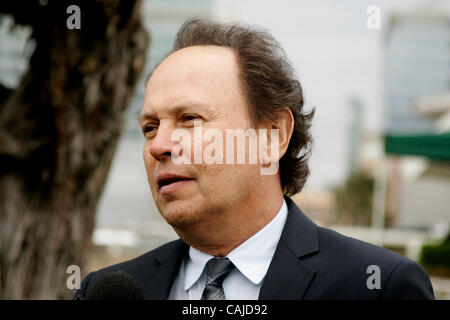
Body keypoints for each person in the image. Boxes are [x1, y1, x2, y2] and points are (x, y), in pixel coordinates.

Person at [74, 19, 434, 300]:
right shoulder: (104, 291)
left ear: (272, 135)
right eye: (150, 127)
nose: (159, 146)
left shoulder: (377, 287)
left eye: (189, 119)